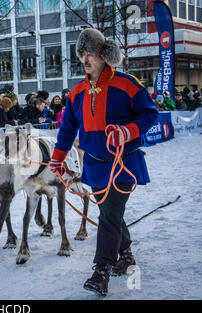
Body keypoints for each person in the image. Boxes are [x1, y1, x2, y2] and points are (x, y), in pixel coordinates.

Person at [49, 28, 158, 297]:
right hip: (95, 166)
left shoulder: (128, 84)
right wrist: (57, 158)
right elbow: (67, 129)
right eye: (82, 54)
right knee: (109, 214)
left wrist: (128, 131)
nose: (86, 59)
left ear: (104, 55)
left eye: (91, 54)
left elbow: (150, 114)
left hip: (123, 163)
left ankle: (101, 270)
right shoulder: (76, 93)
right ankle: (126, 255)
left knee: (110, 213)